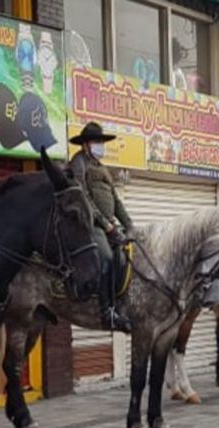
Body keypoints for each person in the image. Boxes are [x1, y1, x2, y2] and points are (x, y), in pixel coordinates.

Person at [68, 122, 133, 332]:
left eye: (101, 142)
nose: (100, 146)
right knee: (105, 257)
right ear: (85, 144)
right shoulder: (78, 163)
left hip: (109, 226)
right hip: (89, 225)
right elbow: (82, 197)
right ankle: (107, 311)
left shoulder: (101, 167)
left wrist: (129, 225)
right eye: (96, 142)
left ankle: (119, 303)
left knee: (126, 255)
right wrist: (104, 224)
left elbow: (115, 199)